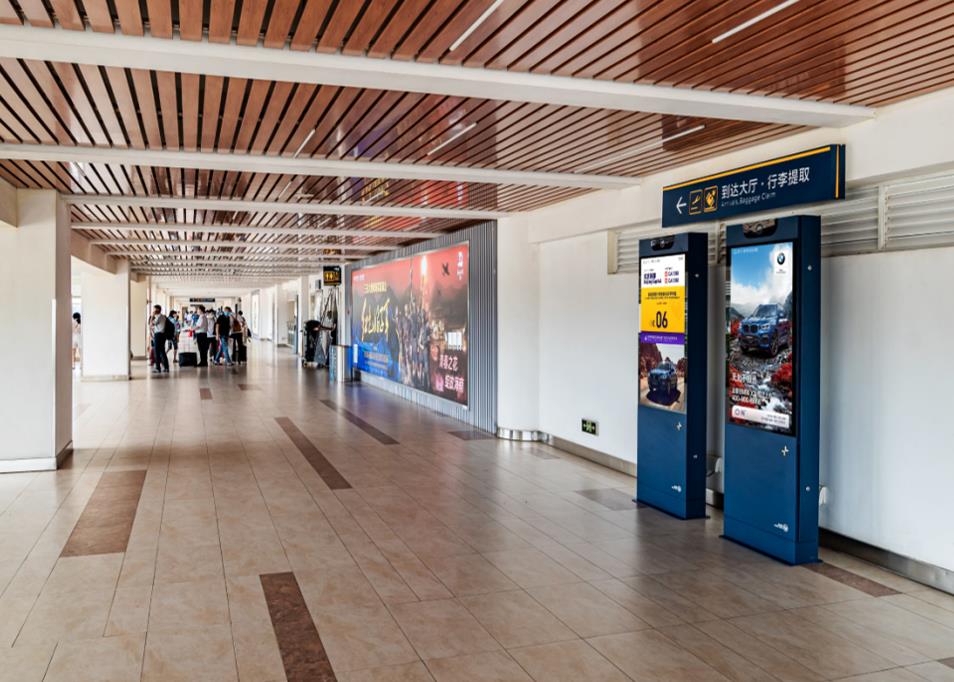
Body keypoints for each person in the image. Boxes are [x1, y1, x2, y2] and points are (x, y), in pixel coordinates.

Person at [150, 305, 170, 373]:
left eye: (154, 309)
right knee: (162, 351)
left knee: (157, 352)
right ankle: (166, 367)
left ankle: (158, 368)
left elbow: (151, 324)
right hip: (162, 335)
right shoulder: (163, 316)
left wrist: (152, 316)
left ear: (157, 310)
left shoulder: (159, 317)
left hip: (158, 335)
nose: (153, 311)